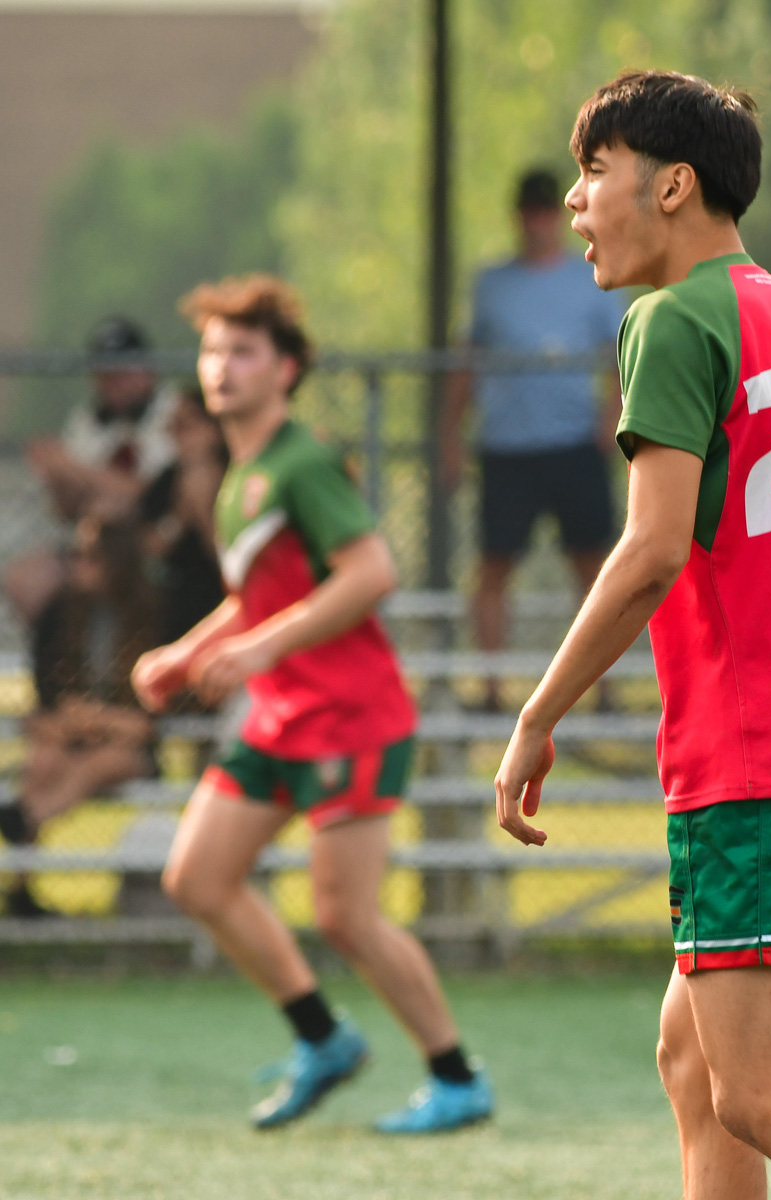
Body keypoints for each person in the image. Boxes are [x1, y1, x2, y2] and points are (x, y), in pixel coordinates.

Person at [493, 71, 771, 1200]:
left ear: (673, 184)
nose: (582, 203)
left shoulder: (671, 319)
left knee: (759, 1091)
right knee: (695, 1064)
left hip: (756, 763)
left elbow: (647, 554)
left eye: (597, 172)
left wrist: (537, 717)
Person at [131, 275, 492, 1133]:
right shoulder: (240, 476)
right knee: (197, 877)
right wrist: (189, 655)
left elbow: (372, 574)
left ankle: (456, 1077)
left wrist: (257, 648)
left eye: (243, 352)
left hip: (350, 715)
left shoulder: (303, 461)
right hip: (279, 713)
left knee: (346, 917)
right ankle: (323, 1038)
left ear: (286, 369)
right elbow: (253, 599)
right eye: (213, 351)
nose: (221, 368)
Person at [442, 167, 630, 711]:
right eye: (531, 211)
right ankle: (494, 687)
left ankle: (604, 688)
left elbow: (618, 360)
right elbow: (465, 363)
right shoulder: (492, 284)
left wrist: (612, 417)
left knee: (593, 565)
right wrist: (450, 434)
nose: (540, 221)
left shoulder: (589, 279)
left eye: (549, 210)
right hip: (507, 448)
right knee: (495, 566)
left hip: (574, 444)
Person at [0, 514, 159, 918]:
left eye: (90, 557)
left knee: (103, 759)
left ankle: (26, 816)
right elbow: (48, 700)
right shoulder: (61, 613)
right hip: (72, 735)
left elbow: (147, 716)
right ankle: (22, 888)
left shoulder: (148, 614)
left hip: (125, 742)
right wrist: (76, 719)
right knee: (43, 761)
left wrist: (98, 718)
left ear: (116, 562)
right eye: (76, 556)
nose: (78, 565)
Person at [4, 317, 181, 627]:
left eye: (123, 372)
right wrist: (55, 474)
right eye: (106, 374)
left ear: (147, 370)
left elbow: (145, 495)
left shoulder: (174, 411)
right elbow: (66, 511)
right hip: (89, 542)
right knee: (25, 579)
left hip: (151, 541)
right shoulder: (86, 421)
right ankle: (62, 668)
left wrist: (73, 468)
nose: (114, 383)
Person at [139, 386, 228, 645]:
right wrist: (180, 514)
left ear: (214, 429)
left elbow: (230, 560)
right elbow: (150, 548)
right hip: (176, 594)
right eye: (173, 425)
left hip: (222, 595)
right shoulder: (167, 478)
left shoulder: (237, 474)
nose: (176, 433)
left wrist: (204, 511)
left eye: (186, 425)